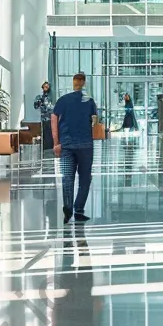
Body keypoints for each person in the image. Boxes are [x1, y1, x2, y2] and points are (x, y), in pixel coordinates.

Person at [52, 72, 98, 224]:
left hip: (66, 146)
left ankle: (67, 210)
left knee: (67, 178)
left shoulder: (62, 101)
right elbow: (94, 121)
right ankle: (79, 210)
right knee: (85, 178)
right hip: (85, 145)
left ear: (73, 83)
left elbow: (53, 120)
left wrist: (56, 142)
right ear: (84, 83)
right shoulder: (89, 101)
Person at [34, 81, 55, 151]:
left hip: (52, 118)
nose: (46, 88)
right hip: (44, 118)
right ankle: (45, 148)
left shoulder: (51, 97)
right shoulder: (39, 97)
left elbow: (53, 107)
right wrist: (40, 101)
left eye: (47, 87)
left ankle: (51, 147)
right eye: (45, 87)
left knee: (52, 133)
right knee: (45, 134)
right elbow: (36, 106)